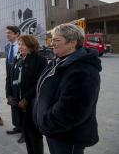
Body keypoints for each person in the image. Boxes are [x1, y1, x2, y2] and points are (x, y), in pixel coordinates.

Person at [33, 23, 101, 154]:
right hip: (54, 132)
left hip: (68, 136)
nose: (52, 43)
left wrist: (46, 123)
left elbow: (72, 111)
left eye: (56, 40)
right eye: (52, 39)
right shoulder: (58, 61)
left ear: (72, 43)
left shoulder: (83, 70)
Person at [6, 35, 47, 152]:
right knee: (26, 132)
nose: (20, 47)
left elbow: (40, 83)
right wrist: (9, 94)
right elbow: (9, 78)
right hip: (18, 102)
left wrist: (27, 98)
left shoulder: (39, 60)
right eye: (19, 44)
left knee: (34, 134)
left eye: (23, 44)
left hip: (32, 103)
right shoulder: (17, 58)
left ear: (31, 45)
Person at [4, 25, 23, 136]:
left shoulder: (22, 45)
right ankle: (17, 126)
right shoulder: (7, 47)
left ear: (16, 34)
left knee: (22, 104)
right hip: (10, 78)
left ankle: (24, 131)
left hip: (21, 79)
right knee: (13, 102)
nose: (7, 34)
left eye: (9, 32)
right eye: (6, 33)